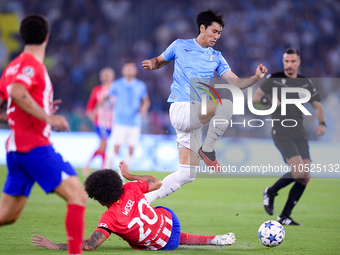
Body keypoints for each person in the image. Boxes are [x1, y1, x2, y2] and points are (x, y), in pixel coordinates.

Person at [142, 10, 267, 203]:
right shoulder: (180, 45)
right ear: (202, 28)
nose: (216, 36)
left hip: (195, 117)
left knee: (187, 174)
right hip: (182, 108)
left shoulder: (216, 57)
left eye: (219, 33)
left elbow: (235, 83)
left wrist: (255, 78)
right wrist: (152, 63)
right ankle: (207, 149)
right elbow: (159, 61)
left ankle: (144, 201)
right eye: (214, 31)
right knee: (224, 104)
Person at [0, 14, 87, 255]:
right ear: (47, 37)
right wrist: (49, 117)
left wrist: (41, 109)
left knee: (7, 216)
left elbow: (5, 107)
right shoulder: (32, 65)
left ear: (23, 36)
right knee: (77, 195)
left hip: (17, 150)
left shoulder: (11, 67)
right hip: (35, 148)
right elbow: (18, 92)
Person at [31, 161, 236, 251]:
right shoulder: (131, 187)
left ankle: (213, 239)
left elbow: (90, 245)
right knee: (148, 209)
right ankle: (214, 239)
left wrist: (56, 245)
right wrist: (129, 176)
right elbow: (157, 182)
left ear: (101, 199)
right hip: (171, 221)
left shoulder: (108, 219)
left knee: (143, 229)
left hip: (164, 245)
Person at [253, 48, 326, 225]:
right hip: (281, 130)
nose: (290, 64)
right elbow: (256, 98)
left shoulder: (305, 82)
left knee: (305, 176)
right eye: (286, 61)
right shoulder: (274, 79)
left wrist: (322, 123)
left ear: (298, 62)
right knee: (299, 171)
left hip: (299, 132)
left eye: (293, 61)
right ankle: (271, 191)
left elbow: (317, 105)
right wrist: (271, 101)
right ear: (283, 62)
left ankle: (284, 216)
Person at [104, 61, 150, 169]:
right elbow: (108, 99)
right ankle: (106, 170)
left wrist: (143, 109)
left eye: (131, 69)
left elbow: (146, 101)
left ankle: (123, 175)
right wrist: (108, 105)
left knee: (131, 150)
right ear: (123, 71)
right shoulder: (116, 84)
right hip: (120, 121)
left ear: (135, 71)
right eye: (127, 69)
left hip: (134, 122)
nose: (129, 71)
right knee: (116, 148)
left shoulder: (140, 85)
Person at [82, 67, 115, 175]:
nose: (105, 77)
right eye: (104, 75)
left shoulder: (116, 90)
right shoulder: (97, 90)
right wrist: (94, 119)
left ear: (112, 77)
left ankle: (100, 166)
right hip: (100, 122)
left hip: (111, 123)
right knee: (103, 143)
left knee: (104, 145)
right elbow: (89, 108)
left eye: (107, 75)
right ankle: (92, 165)